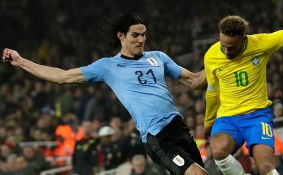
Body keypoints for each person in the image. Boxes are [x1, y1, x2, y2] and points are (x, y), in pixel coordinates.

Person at [2, 12, 208, 175]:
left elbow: (194, 81)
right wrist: (21, 62)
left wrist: (224, 61)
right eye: (135, 35)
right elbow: (61, 76)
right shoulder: (108, 67)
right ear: (121, 36)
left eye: (143, 34)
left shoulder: (158, 57)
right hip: (157, 137)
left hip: (179, 129)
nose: (141, 40)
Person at [203, 15, 283, 175]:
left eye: (231, 47)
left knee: (265, 166)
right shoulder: (211, 56)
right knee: (218, 150)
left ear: (243, 39)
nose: (226, 51)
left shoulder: (259, 43)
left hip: (257, 116)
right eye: (223, 45)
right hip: (228, 117)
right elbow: (212, 91)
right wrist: (208, 122)